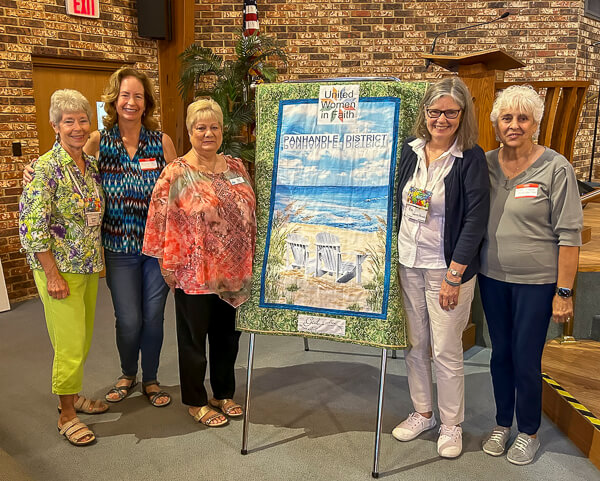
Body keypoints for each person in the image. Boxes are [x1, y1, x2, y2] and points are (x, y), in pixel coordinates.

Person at [23, 68, 177, 407]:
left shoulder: (161, 142)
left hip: (156, 249)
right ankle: (127, 374)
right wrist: (33, 168)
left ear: (146, 101)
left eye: (138, 96)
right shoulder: (98, 141)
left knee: (153, 316)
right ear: (114, 100)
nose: (131, 102)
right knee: (129, 317)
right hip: (117, 249)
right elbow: (70, 164)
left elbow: (179, 191)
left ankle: (150, 379)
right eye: (125, 95)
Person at [479, 85, 583, 465]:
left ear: (535, 123)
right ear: (496, 124)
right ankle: (502, 422)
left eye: (523, 118)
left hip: (537, 284)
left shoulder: (556, 168)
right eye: (507, 118)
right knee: (499, 354)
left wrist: (564, 291)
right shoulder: (485, 164)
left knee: (525, 357)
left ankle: (529, 431)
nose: (515, 125)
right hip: (492, 278)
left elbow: (569, 235)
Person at [392, 77, 490, 458]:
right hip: (409, 263)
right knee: (417, 345)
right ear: (425, 113)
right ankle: (423, 412)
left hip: (445, 269)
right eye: (435, 111)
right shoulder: (411, 151)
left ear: (462, 114)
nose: (441, 119)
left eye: (450, 112)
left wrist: (454, 274)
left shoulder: (471, 157)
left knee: (446, 349)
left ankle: (452, 424)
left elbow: (475, 221)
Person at [143, 98, 256, 427]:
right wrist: (166, 262)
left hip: (234, 269)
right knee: (193, 340)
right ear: (190, 131)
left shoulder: (236, 167)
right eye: (201, 127)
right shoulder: (176, 171)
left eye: (214, 127)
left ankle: (223, 392)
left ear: (223, 130)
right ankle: (195, 400)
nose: (208, 133)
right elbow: (157, 217)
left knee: (227, 338)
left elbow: (251, 209)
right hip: (194, 271)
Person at [19, 89, 107, 446]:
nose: (76, 127)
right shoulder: (44, 169)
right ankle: (66, 414)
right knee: (69, 344)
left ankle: (73, 395)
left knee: (81, 340)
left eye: (82, 119)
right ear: (55, 125)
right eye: (68, 121)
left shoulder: (91, 166)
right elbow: (30, 227)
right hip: (59, 270)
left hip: (88, 266)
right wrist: (51, 274)